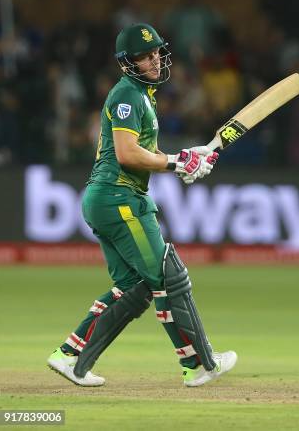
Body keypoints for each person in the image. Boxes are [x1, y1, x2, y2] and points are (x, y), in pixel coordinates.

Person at [47, 23, 237, 387]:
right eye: (144, 56)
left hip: (109, 199)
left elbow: (144, 153)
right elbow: (127, 154)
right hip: (120, 200)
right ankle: (201, 364)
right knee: (169, 275)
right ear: (126, 63)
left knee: (135, 288)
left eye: (155, 53)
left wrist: (187, 155)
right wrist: (177, 163)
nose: (153, 60)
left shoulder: (142, 95)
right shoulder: (127, 96)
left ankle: (70, 356)